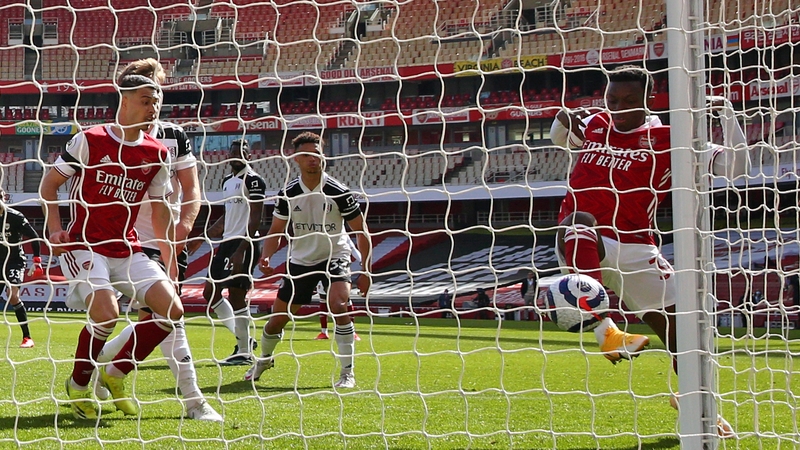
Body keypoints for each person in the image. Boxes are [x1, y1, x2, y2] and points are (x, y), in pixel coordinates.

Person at [550, 65, 749, 437]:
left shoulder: (667, 138)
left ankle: (699, 408)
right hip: (584, 240)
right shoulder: (594, 125)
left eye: (628, 101)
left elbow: (737, 168)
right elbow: (559, 136)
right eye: (612, 100)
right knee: (578, 222)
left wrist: (725, 113)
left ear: (648, 101)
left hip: (637, 248)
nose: (619, 108)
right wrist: (563, 120)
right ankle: (607, 333)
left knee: (685, 335)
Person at [40, 74, 184, 420]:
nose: (153, 108)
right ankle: (78, 385)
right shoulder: (90, 139)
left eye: (157, 102)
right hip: (85, 245)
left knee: (173, 311)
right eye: (146, 100)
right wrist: (56, 230)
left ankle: (116, 373)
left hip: (128, 247)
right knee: (107, 313)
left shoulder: (157, 151)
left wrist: (169, 257)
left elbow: (161, 208)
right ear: (125, 100)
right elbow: (49, 185)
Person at [92, 59, 222, 422]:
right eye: (148, 91)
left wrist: (183, 227)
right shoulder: (102, 136)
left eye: (159, 92)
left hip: (162, 240)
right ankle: (193, 401)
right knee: (166, 318)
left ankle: (112, 366)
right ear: (129, 94)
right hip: (119, 243)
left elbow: (192, 189)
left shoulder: (174, 136)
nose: (155, 100)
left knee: (164, 318)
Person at [245, 132, 371, 389]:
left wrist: (366, 270)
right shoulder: (288, 193)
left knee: (338, 304)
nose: (312, 159)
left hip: (335, 255)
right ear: (296, 159)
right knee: (278, 319)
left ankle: (347, 373)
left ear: (323, 156)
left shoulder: (340, 192)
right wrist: (266, 254)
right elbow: (277, 230)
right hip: (301, 261)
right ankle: (264, 359)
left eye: (316, 154)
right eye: (306, 155)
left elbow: (361, 230)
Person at [188, 139, 266, 365]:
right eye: (233, 152)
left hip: (245, 243)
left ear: (249, 155)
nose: (237, 155)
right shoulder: (227, 181)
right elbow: (228, 214)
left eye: (242, 151)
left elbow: (256, 217)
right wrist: (203, 236)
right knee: (210, 293)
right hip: (227, 242)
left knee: (236, 294)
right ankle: (245, 339)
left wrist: (242, 249)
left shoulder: (253, 180)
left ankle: (243, 352)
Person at [0, 189, 43, 348]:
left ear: (4, 198)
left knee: (12, 295)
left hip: (14, 261)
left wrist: (37, 260)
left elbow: (34, 237)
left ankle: (27, 338)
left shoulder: (15, 217)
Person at [316, 238, 361, 340]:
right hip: (322, 271)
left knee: (345, 301)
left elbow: (353, 249)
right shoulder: (319, 236)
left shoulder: (343, 236)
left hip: (341, 270)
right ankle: (324, 332)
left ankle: (352, 332)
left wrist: (363, 261)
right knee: (323, 300)